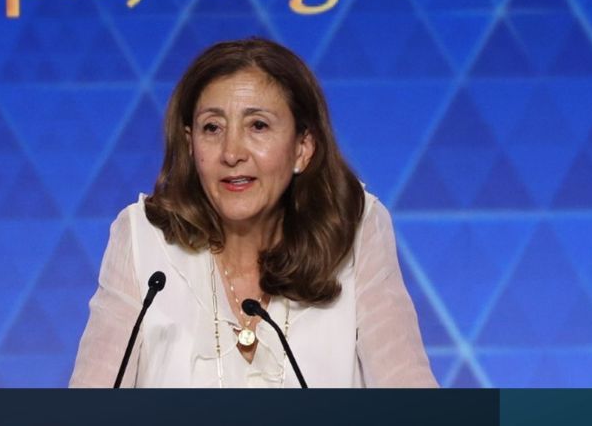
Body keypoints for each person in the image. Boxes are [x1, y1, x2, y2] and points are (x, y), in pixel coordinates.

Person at [69, 37, 438, 388]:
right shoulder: (143, 239)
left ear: (302, 148)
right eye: (212, 128)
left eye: (258, 126)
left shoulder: (354, 229)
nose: (232, 153)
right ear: (190, 144)